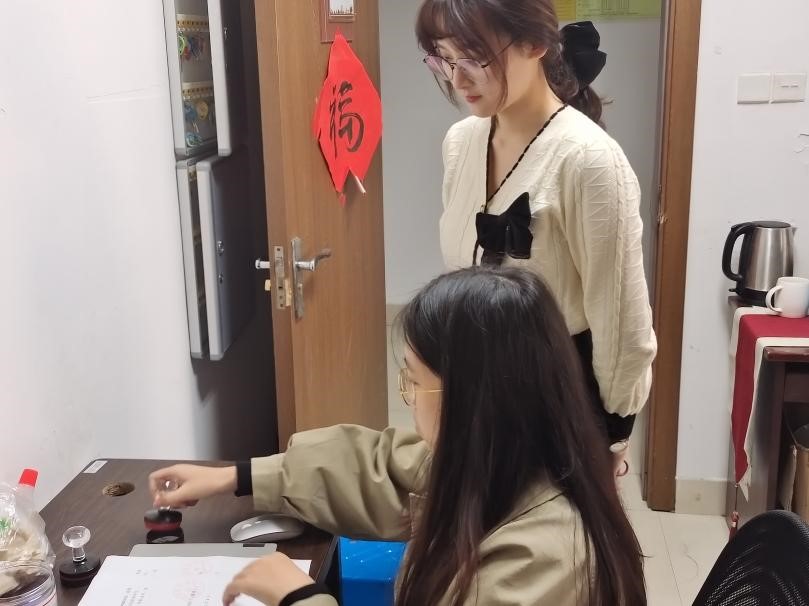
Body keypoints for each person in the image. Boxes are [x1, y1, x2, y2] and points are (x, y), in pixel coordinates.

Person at [150, 267, 646, 606]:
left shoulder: (542, 563)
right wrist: (237, 477)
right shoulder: (513, 457)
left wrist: (301, 597)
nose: (408, 396)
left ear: (472, 397)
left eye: (413, 379)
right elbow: (380, 469)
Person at [416, 0, 657, 474]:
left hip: (556, 404)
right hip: (473, 392)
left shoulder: (588, 159)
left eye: (474, 58)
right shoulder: (461, 142)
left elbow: (620, 320)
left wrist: (613, 434)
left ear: (536, 43)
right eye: (443, 58)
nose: (458, 79)